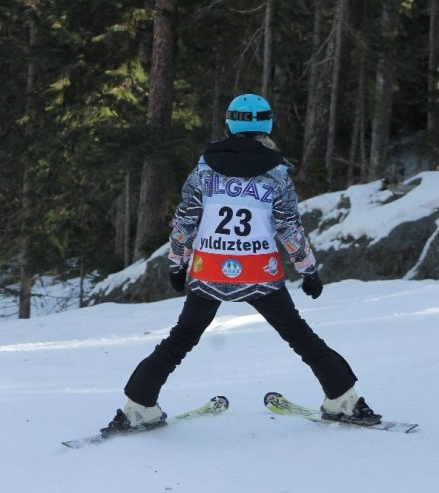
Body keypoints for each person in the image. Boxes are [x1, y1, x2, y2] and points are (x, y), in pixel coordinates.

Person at [101, 93, 380, 435]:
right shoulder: (276, 173)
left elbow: (185, 219)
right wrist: (307, 270)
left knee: (180, 339)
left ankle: (137, 407)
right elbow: (289, 227)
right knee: (300, 336)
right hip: (258, 273)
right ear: (268, 123)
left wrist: (177, 263)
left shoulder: (204, 168)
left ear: (229, 123)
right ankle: (344, 401)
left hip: (209, 270)